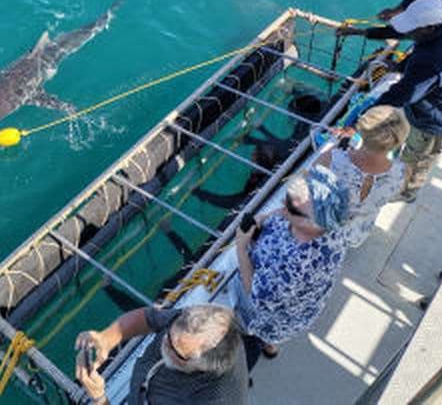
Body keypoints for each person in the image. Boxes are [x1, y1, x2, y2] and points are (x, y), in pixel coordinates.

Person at [339, 0, 442, 201]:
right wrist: (400, 66)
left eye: (413, 29)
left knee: (415, 160)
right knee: (411, 144)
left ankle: (405, 192)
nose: (408, 32)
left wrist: (357, 125)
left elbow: (399, 94)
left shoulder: (435, 60)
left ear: (430, 28)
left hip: (440, 122)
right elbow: (418, 53)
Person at [229, 167, 349, 358]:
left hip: (267, 312)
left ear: (314, 223)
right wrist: (265, 218)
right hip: (299, 312)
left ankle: (259, 343)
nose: (282, 206)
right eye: (286, 199)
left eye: (291, 208)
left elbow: (257, 294)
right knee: (275, 336)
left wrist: (241, 248)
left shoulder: (298, 264)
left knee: (250, 325)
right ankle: (271, 348)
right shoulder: (333, 222)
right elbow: (295, 207)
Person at [74, 304, 249, 405]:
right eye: (168, 337)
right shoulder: (188, 324)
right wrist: (106, 339)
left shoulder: (215, 399)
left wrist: (99, 398)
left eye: (178, 354)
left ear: (205, 366)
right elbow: (149, 318)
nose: (166, 347)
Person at [315, 106, 410, 247]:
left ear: (362, 131)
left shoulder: (331, 158)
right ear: (398, 141)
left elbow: (308, 194)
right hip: (357, 232)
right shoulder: (403, 172)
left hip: (324, 232)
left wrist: (339, 145)